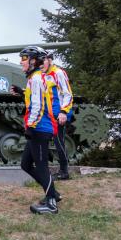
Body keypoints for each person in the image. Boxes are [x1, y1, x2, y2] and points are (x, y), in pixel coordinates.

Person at [14, 46, 60, 214]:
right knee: (26, 164)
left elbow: (38, 106)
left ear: (33, 61)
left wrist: (31, 126)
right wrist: (21, 93)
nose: (21, 61)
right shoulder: (36, 78)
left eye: (24, 58)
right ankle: (53, 193)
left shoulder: (36, 79)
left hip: (40, 128)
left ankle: (51, 204)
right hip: (38, 127)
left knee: (41, 166)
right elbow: (36, 97)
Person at [43, 51, 74, 180]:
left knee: (58, 142)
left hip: (58, 113)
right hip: (48, 114)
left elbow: (67, 94)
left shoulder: (58, 73)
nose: (40, 63)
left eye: (43, 60)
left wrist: (63, 112)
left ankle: (64, 172)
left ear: (49, 60)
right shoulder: (44, 75)